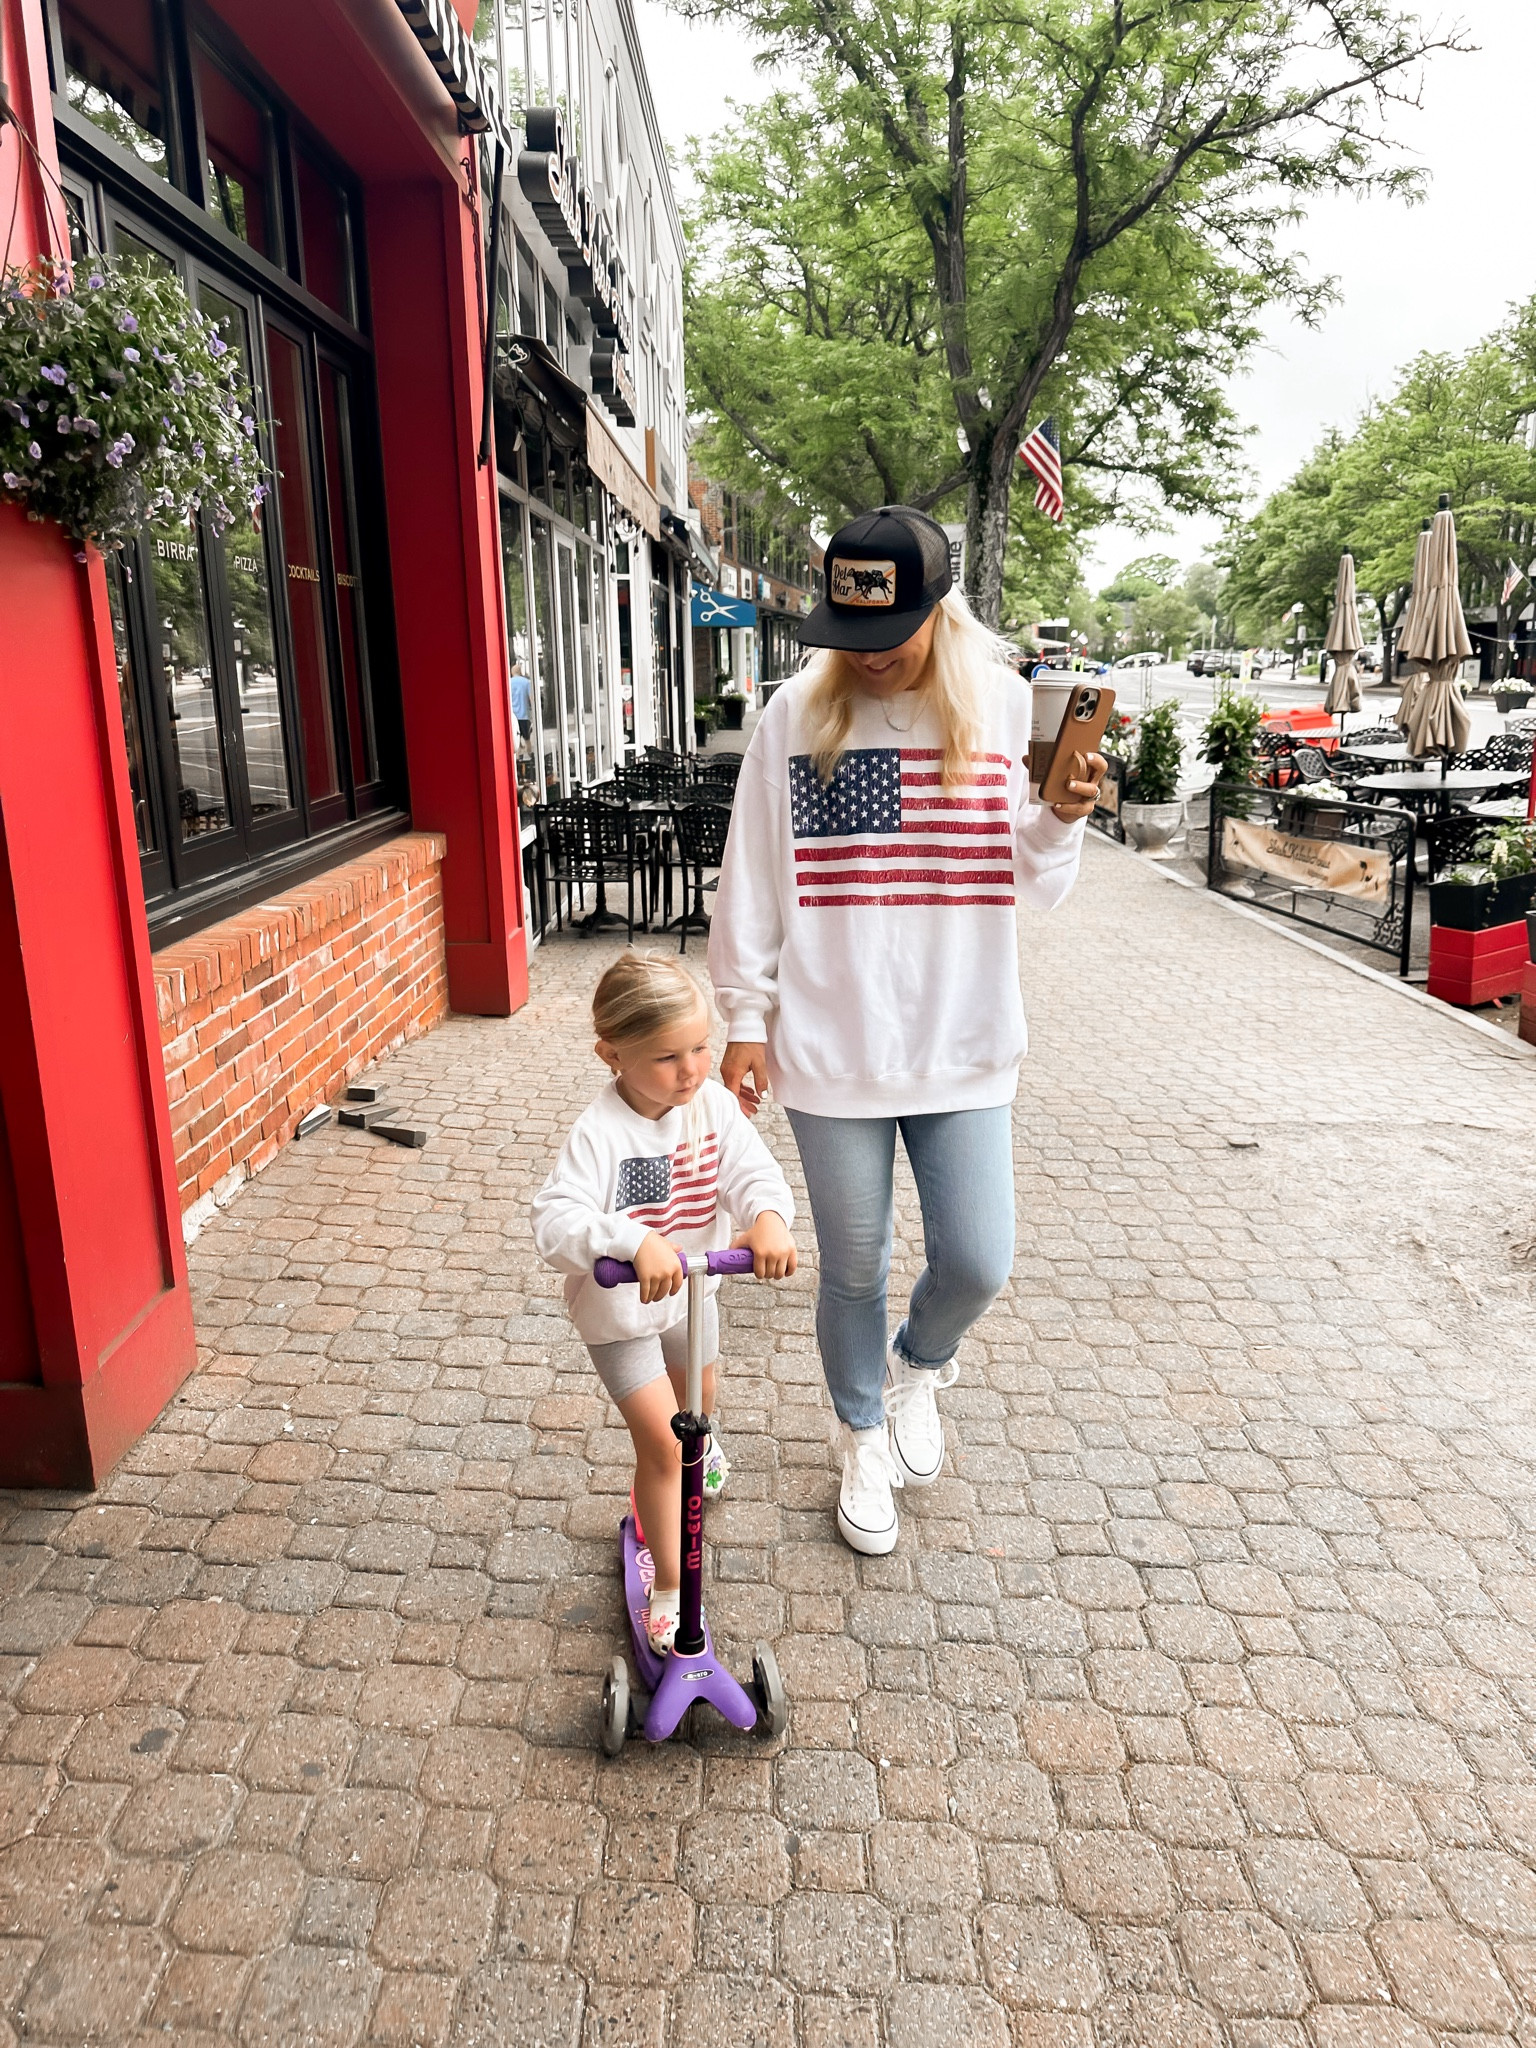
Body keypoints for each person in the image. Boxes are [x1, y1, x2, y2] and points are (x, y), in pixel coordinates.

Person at [709, 505, 1104, 1555]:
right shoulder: (793, 717)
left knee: (978, 1258)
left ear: (941, 609)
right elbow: (749, 877)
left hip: (966, 1039)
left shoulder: (1003, 706)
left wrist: (1060, 813)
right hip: (833, 1048)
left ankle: (921, 1361)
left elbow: (1035, 882)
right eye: (853, 636)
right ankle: (858, 1429)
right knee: (852, 1262)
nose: (872, 658)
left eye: (893, 634)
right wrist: (744, 1016)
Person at [531, 953, 797, 1650]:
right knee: (662, 1446)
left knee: (699, 1414)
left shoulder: (709, 1107)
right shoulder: (600, 1133)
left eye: (702, 1047)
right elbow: (554, 1221)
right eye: (666, 1057)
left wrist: (768, 1218)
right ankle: (673, 1590)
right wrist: (627, 1238)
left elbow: (752, 1172)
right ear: (611, 1055)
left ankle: (698, 1455)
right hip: (619, 1317)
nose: (692, 1069)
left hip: (692, 1300)